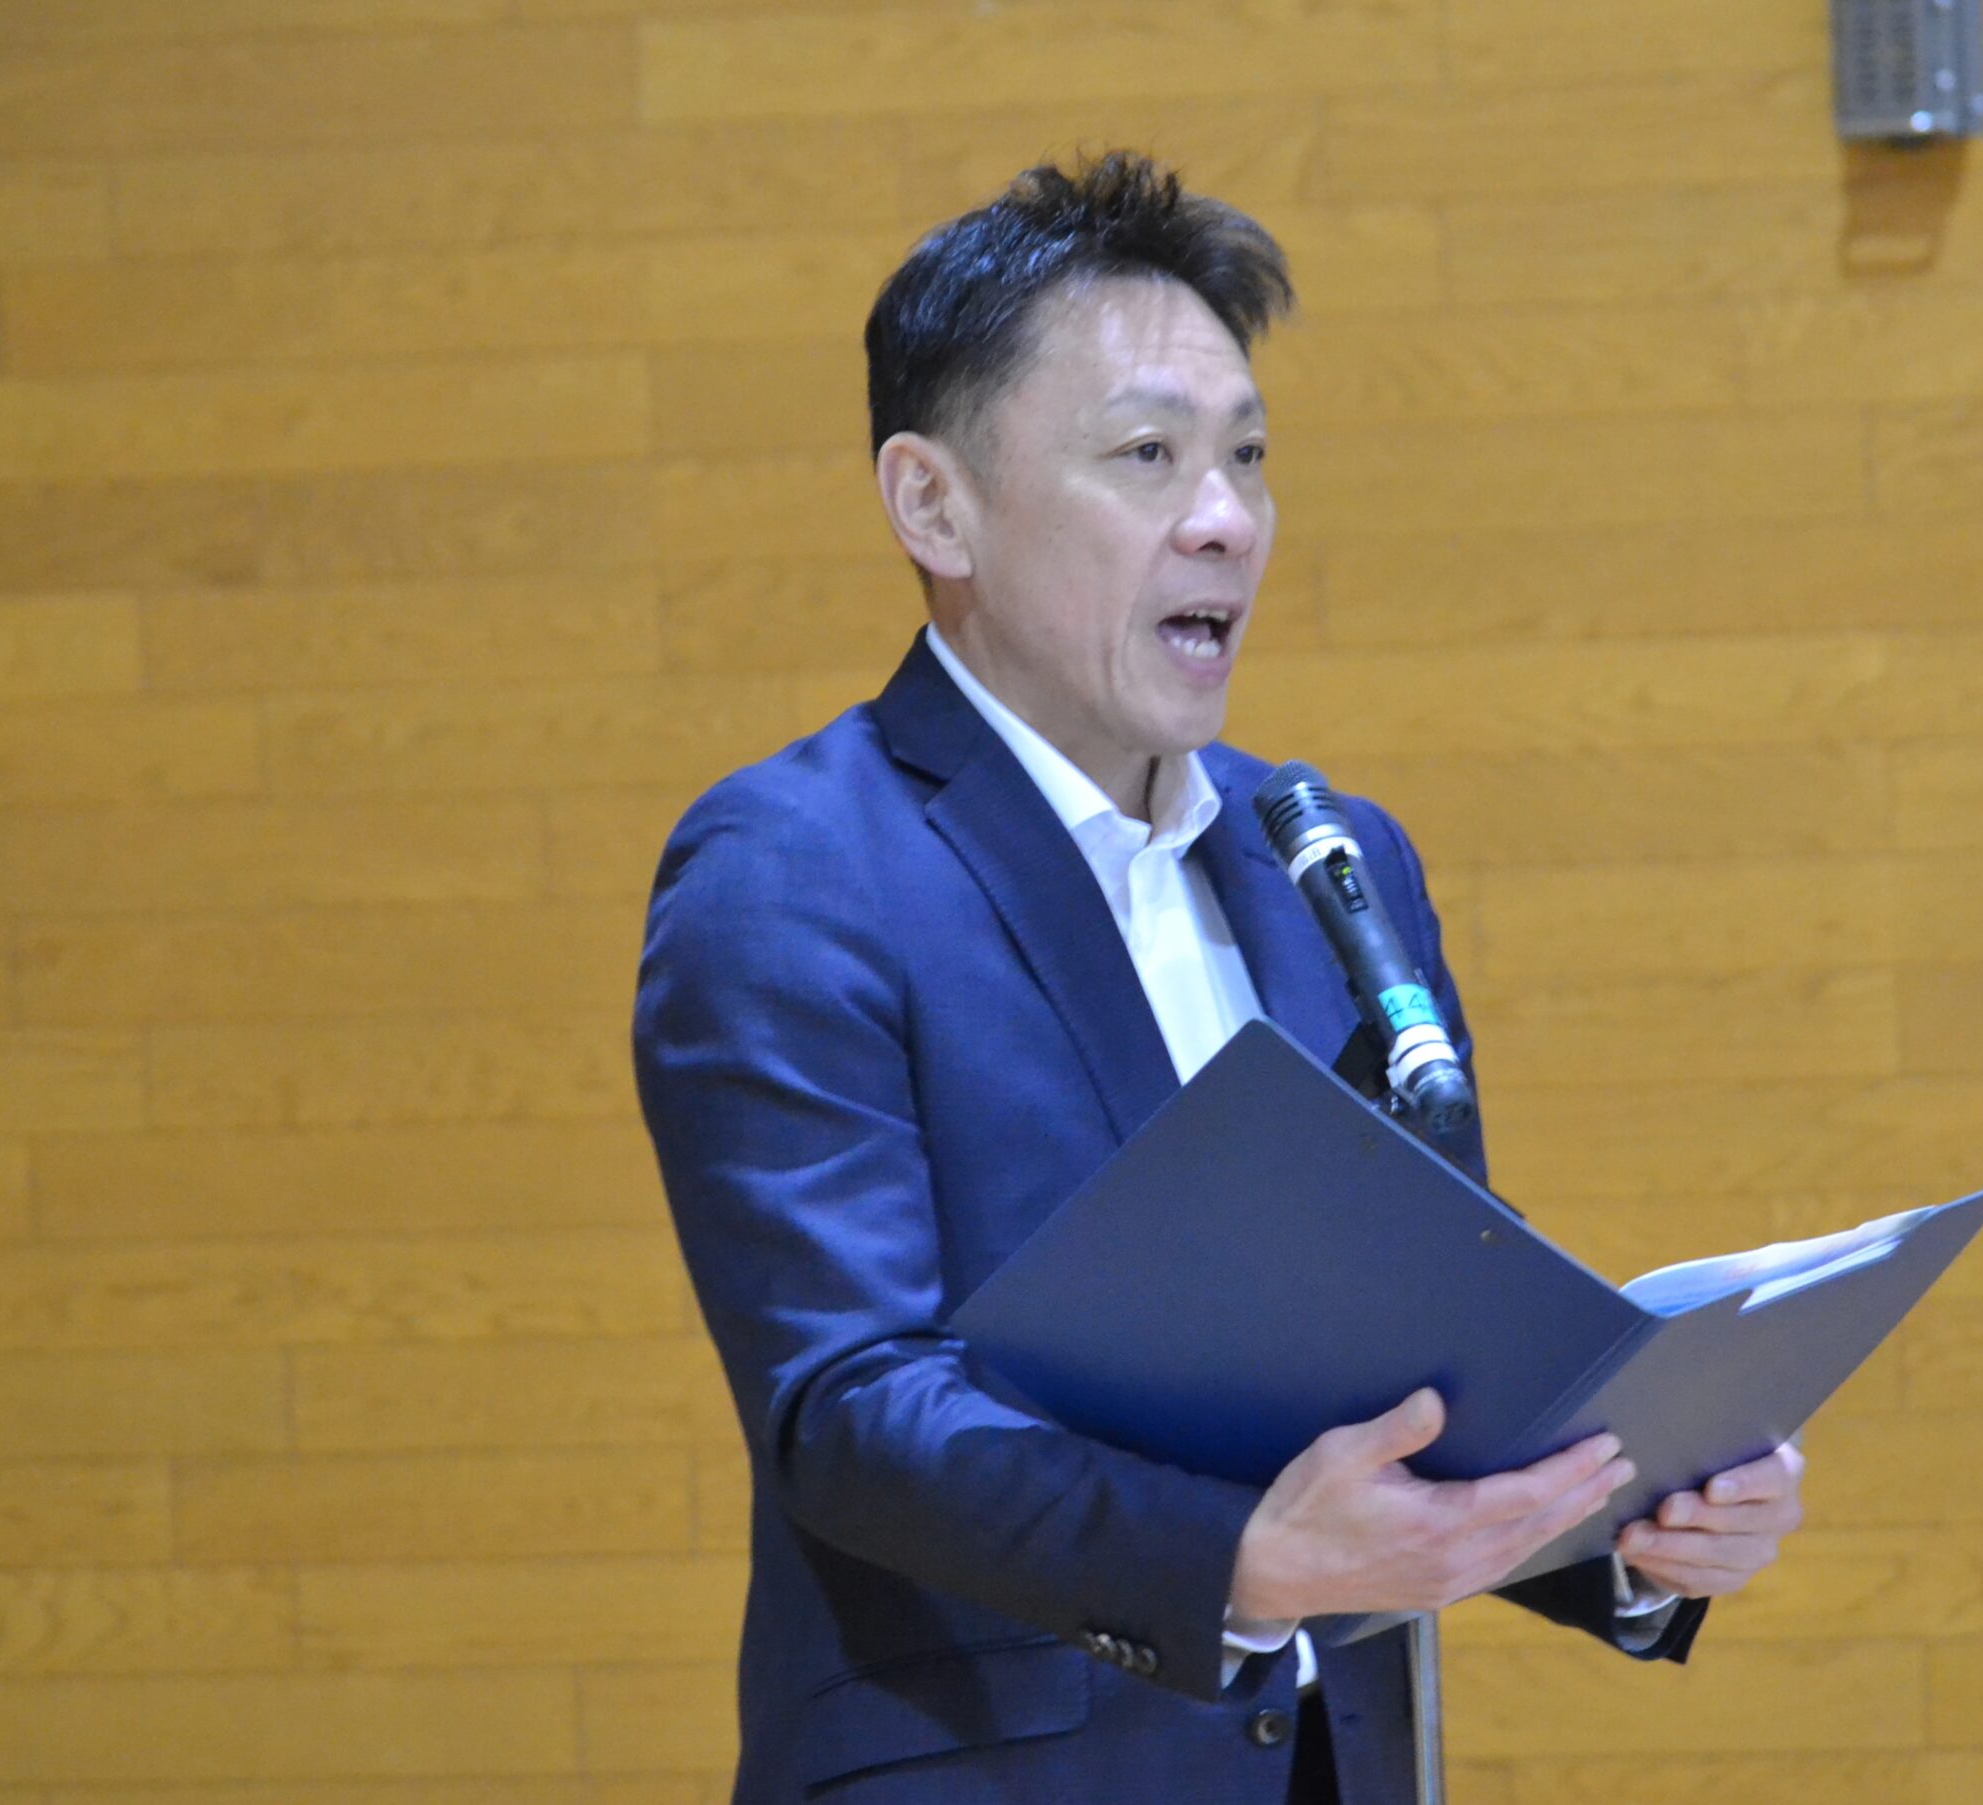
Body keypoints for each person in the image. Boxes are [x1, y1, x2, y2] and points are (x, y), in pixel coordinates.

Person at [632, 153, 1805, 1805]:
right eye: (1148, 455)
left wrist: (1635, 1517)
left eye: (1247, 455)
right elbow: (849, 1406)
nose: (1226, 518)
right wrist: (1240, 1560)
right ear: (933, 505)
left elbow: (1436, 1370)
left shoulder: (1329, 856)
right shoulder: (796, 869)